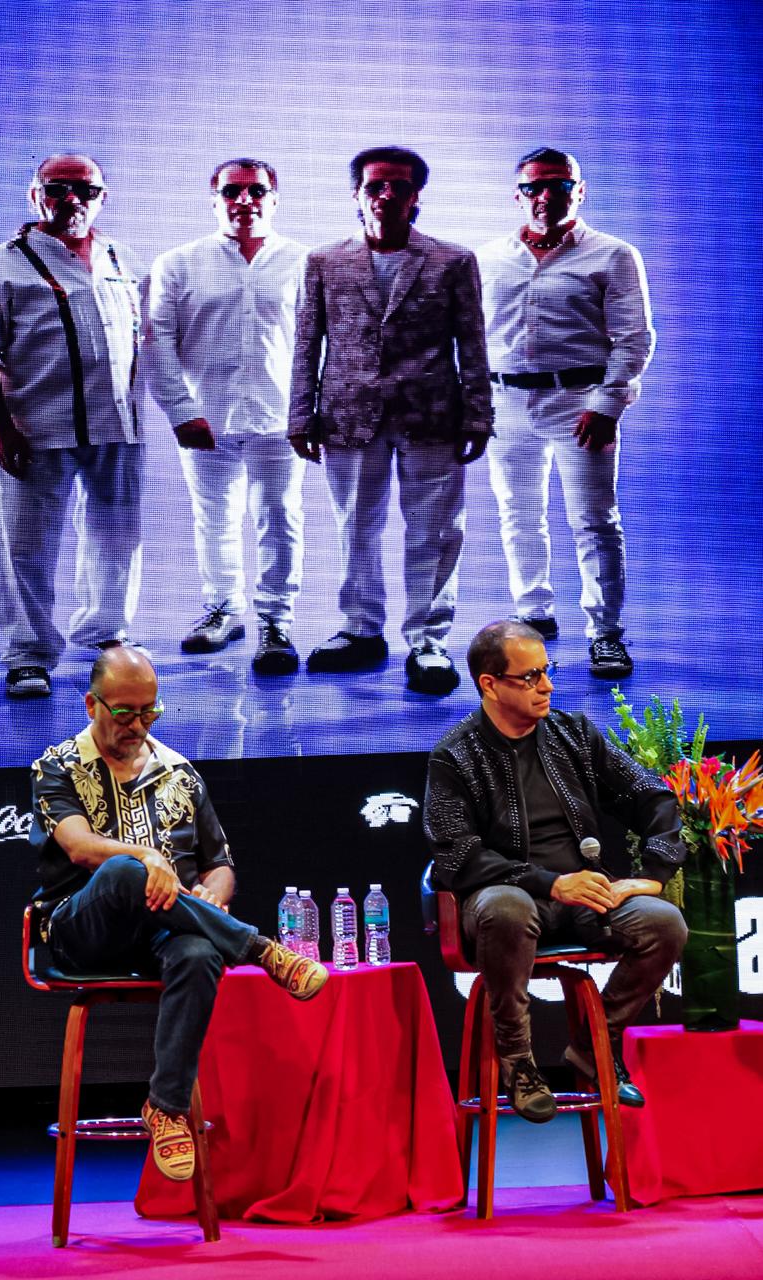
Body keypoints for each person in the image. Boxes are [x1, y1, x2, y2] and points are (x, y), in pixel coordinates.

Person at [30, 645, 327, 1181]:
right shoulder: (58, 766)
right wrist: (147, 857)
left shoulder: (180, 773)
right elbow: (78, 846)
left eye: (150, 712)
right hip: (82, 932)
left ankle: (165, 1108)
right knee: (124, 871)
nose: (138, 726)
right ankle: (259, 949)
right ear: (92, 705)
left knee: (197, 953)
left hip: (162, 932)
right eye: (125, 713)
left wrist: (211, 895)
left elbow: (220, 865)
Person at [424, 620, 687, 1123]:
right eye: (530, 677)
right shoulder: (455, 756)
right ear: (490, 684)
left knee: (662, 923)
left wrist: (654, 872)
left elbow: (651, 795)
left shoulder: (574, 735)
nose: (546, 686)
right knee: (506, 906)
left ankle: (594, 1045)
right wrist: (551, 883)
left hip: (583, 898)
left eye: (547, 671)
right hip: (505, 901)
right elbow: (457, 855)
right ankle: (518, 1061)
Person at [0, 154, 147, 699]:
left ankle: (106, 635)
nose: (72, 199)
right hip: (37, 425)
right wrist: (3, 429)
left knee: (117, 537)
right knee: (26, 545)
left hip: (116, 423)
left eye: (86, 189)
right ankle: (28, 654)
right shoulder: (1, 264)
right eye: (58, 188)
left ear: (102, 197)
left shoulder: (117, 258)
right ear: (36, 195)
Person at [288, 146, 494, 696]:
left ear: (415, 196)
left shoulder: (453, 260)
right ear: (357, 194)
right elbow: (307, 342)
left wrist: (478, 415)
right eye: (374, 186)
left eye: (398, 186)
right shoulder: (324, 261)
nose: (385, 195)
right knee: (355, 526)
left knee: (435, 531)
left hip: (433, 412)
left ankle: (428, 643)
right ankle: (360, 630)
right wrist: (300, 414)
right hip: (348, 414)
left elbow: (473, 343)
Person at [478, 148, 655, 679]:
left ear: (579, 191)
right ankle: (533, 614)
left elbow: (635, 337)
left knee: (594, 520)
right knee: (517, 513)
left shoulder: (613, 255)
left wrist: (607, 403)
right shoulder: (488, 259)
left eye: (559, 184)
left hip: (579, 401)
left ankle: (605, 633)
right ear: (517, 196)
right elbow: (472, 336)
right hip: (506, 401)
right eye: (534, 186)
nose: (545, 195)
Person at [148, 158, 306, 675]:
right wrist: (181, 410)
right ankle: (223, 611)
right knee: (214, 518)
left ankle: (276, 621)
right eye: (231, 191)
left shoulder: (302, 263)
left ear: (274, 199)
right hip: (206, 418)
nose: (244, 201)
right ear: (214, 200)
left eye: (256, 191)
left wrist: (310, 410)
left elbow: (318, 344)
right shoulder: (178, 264)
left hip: (280, 418)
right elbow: (157, 341)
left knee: (279, 517)